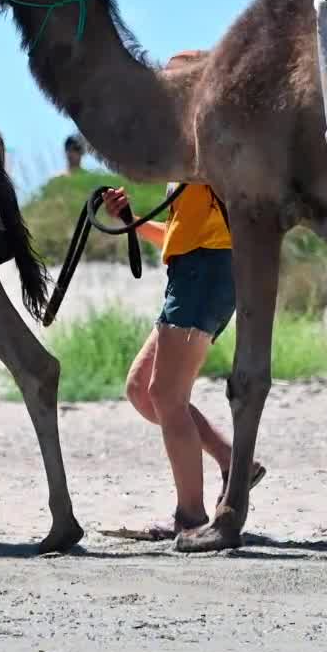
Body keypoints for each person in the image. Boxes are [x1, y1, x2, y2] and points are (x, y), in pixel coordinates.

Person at [103, 178, 264, 541]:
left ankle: (190, 516)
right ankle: (233, 462)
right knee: (142, 390)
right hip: (191, 273)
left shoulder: (203, 158)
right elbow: (177, 236)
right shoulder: (182, 171)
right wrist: (131, 220)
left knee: (164, 395)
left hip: (205, 273)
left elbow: (211, 238)